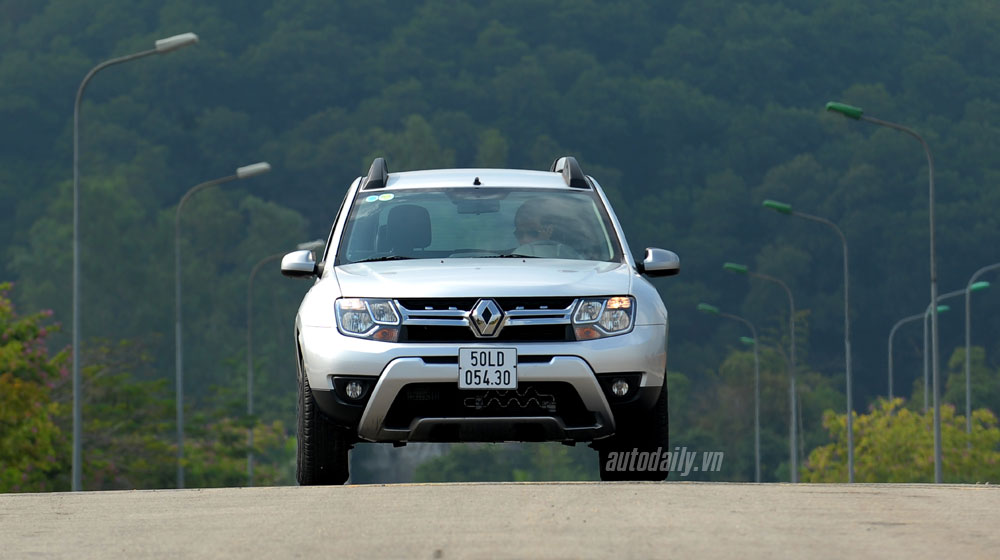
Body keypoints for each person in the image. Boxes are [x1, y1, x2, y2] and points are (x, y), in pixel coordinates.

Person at [512, 198, 581, 258]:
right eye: (519, 234)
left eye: (533, 233)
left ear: (549, 230)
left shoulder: (571, 257)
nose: (525, 239)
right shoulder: (505, 259)